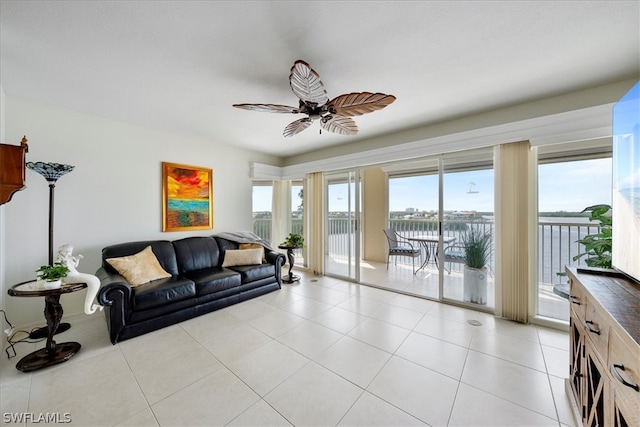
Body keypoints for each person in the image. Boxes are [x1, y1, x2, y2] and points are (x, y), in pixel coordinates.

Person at [56, 244, 102, 315]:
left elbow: (75, 266)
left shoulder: (69, 258)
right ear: (61, 251)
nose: (68, 253)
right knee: (93, 281)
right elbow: (58, 272)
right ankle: (88, 309)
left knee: (95, 280)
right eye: (66, 251)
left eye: (70, 251)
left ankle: (89, 308)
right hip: (70, 277)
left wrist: (77, 259)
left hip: (76, 274)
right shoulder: (59, 261)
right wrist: (61, 280)